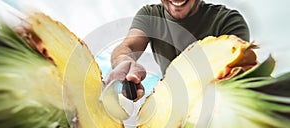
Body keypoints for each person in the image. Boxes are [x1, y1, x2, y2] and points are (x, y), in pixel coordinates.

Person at [106, 0, 250, 101]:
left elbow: (235, 76)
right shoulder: (150, 15)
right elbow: (129, 46)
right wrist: (124, 62)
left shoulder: (228, 20)